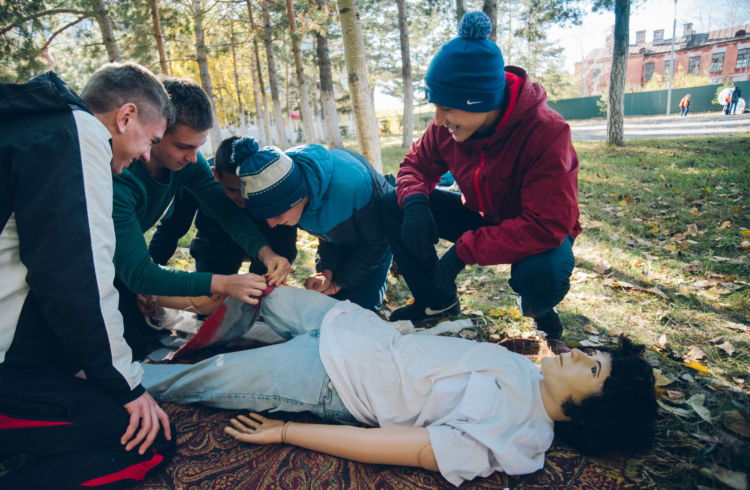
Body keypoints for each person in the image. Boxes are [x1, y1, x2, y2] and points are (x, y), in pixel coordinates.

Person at [140, 286, 657, 486]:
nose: (583, 354)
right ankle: (171, 311)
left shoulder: (516, 437)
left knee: (191, 381)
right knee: (257, 293)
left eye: (594, 370)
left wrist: (284, 433)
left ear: (586, 411)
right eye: (596, 355)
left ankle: (106, 374)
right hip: (353, 328)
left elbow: (396, 447)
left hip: (330, 380)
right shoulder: (530, 371)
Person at [0, 63, 174, 488]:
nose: (147, 156)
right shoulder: (75, 136)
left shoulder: (33, 127)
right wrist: (128, 386)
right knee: (146, 445)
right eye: (150, 140)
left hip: (16, 354)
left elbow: (38, 272)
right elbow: (77, 277)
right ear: (126, 116)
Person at [380, 12, 580, 340]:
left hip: (534, 228)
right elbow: (414, 166)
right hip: (481, 215)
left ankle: (539, 308)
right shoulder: (446, 127)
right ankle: (436, 302)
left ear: (482, 101)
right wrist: (415, 203)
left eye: (447, 108)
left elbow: (549, 223)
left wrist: (462, 253)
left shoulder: (546, 132)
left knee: (543, 274)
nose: (439, 118)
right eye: (436, 106)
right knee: (394, 203)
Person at [112, 78, 292, 359]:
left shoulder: (187, 164)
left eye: (199, 147)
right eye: (184, 146)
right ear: (156, 129)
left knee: (148, 329)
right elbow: (139, 272)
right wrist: (224, 283)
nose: (194, 159)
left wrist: (266, 253)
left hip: (123, 259)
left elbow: (225, 211)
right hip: (91, 267)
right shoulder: (122, 177)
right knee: (129, 351)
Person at [235, 137, 393, 310]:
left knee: (360, 310)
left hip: (380, 236)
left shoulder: (353, 186)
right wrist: (327, 271)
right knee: (328, 306)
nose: (272, 224)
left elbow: (378, 244)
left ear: (296, 197)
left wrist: (339, 283)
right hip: (345, 236)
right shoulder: (287, 186)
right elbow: (328, 235)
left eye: (276, 214)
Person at [148, 136, 298, 278]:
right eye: (233, 190)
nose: (243, 198)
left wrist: (275, 263)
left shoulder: (271, 180)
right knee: (212, 292)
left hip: (268, 241)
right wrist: (151, 268)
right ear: (215, 176)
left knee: (264, 291)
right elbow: (172, 228)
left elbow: (286, 239)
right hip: (216, 242)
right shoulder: (198, 175)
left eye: (248, 190)